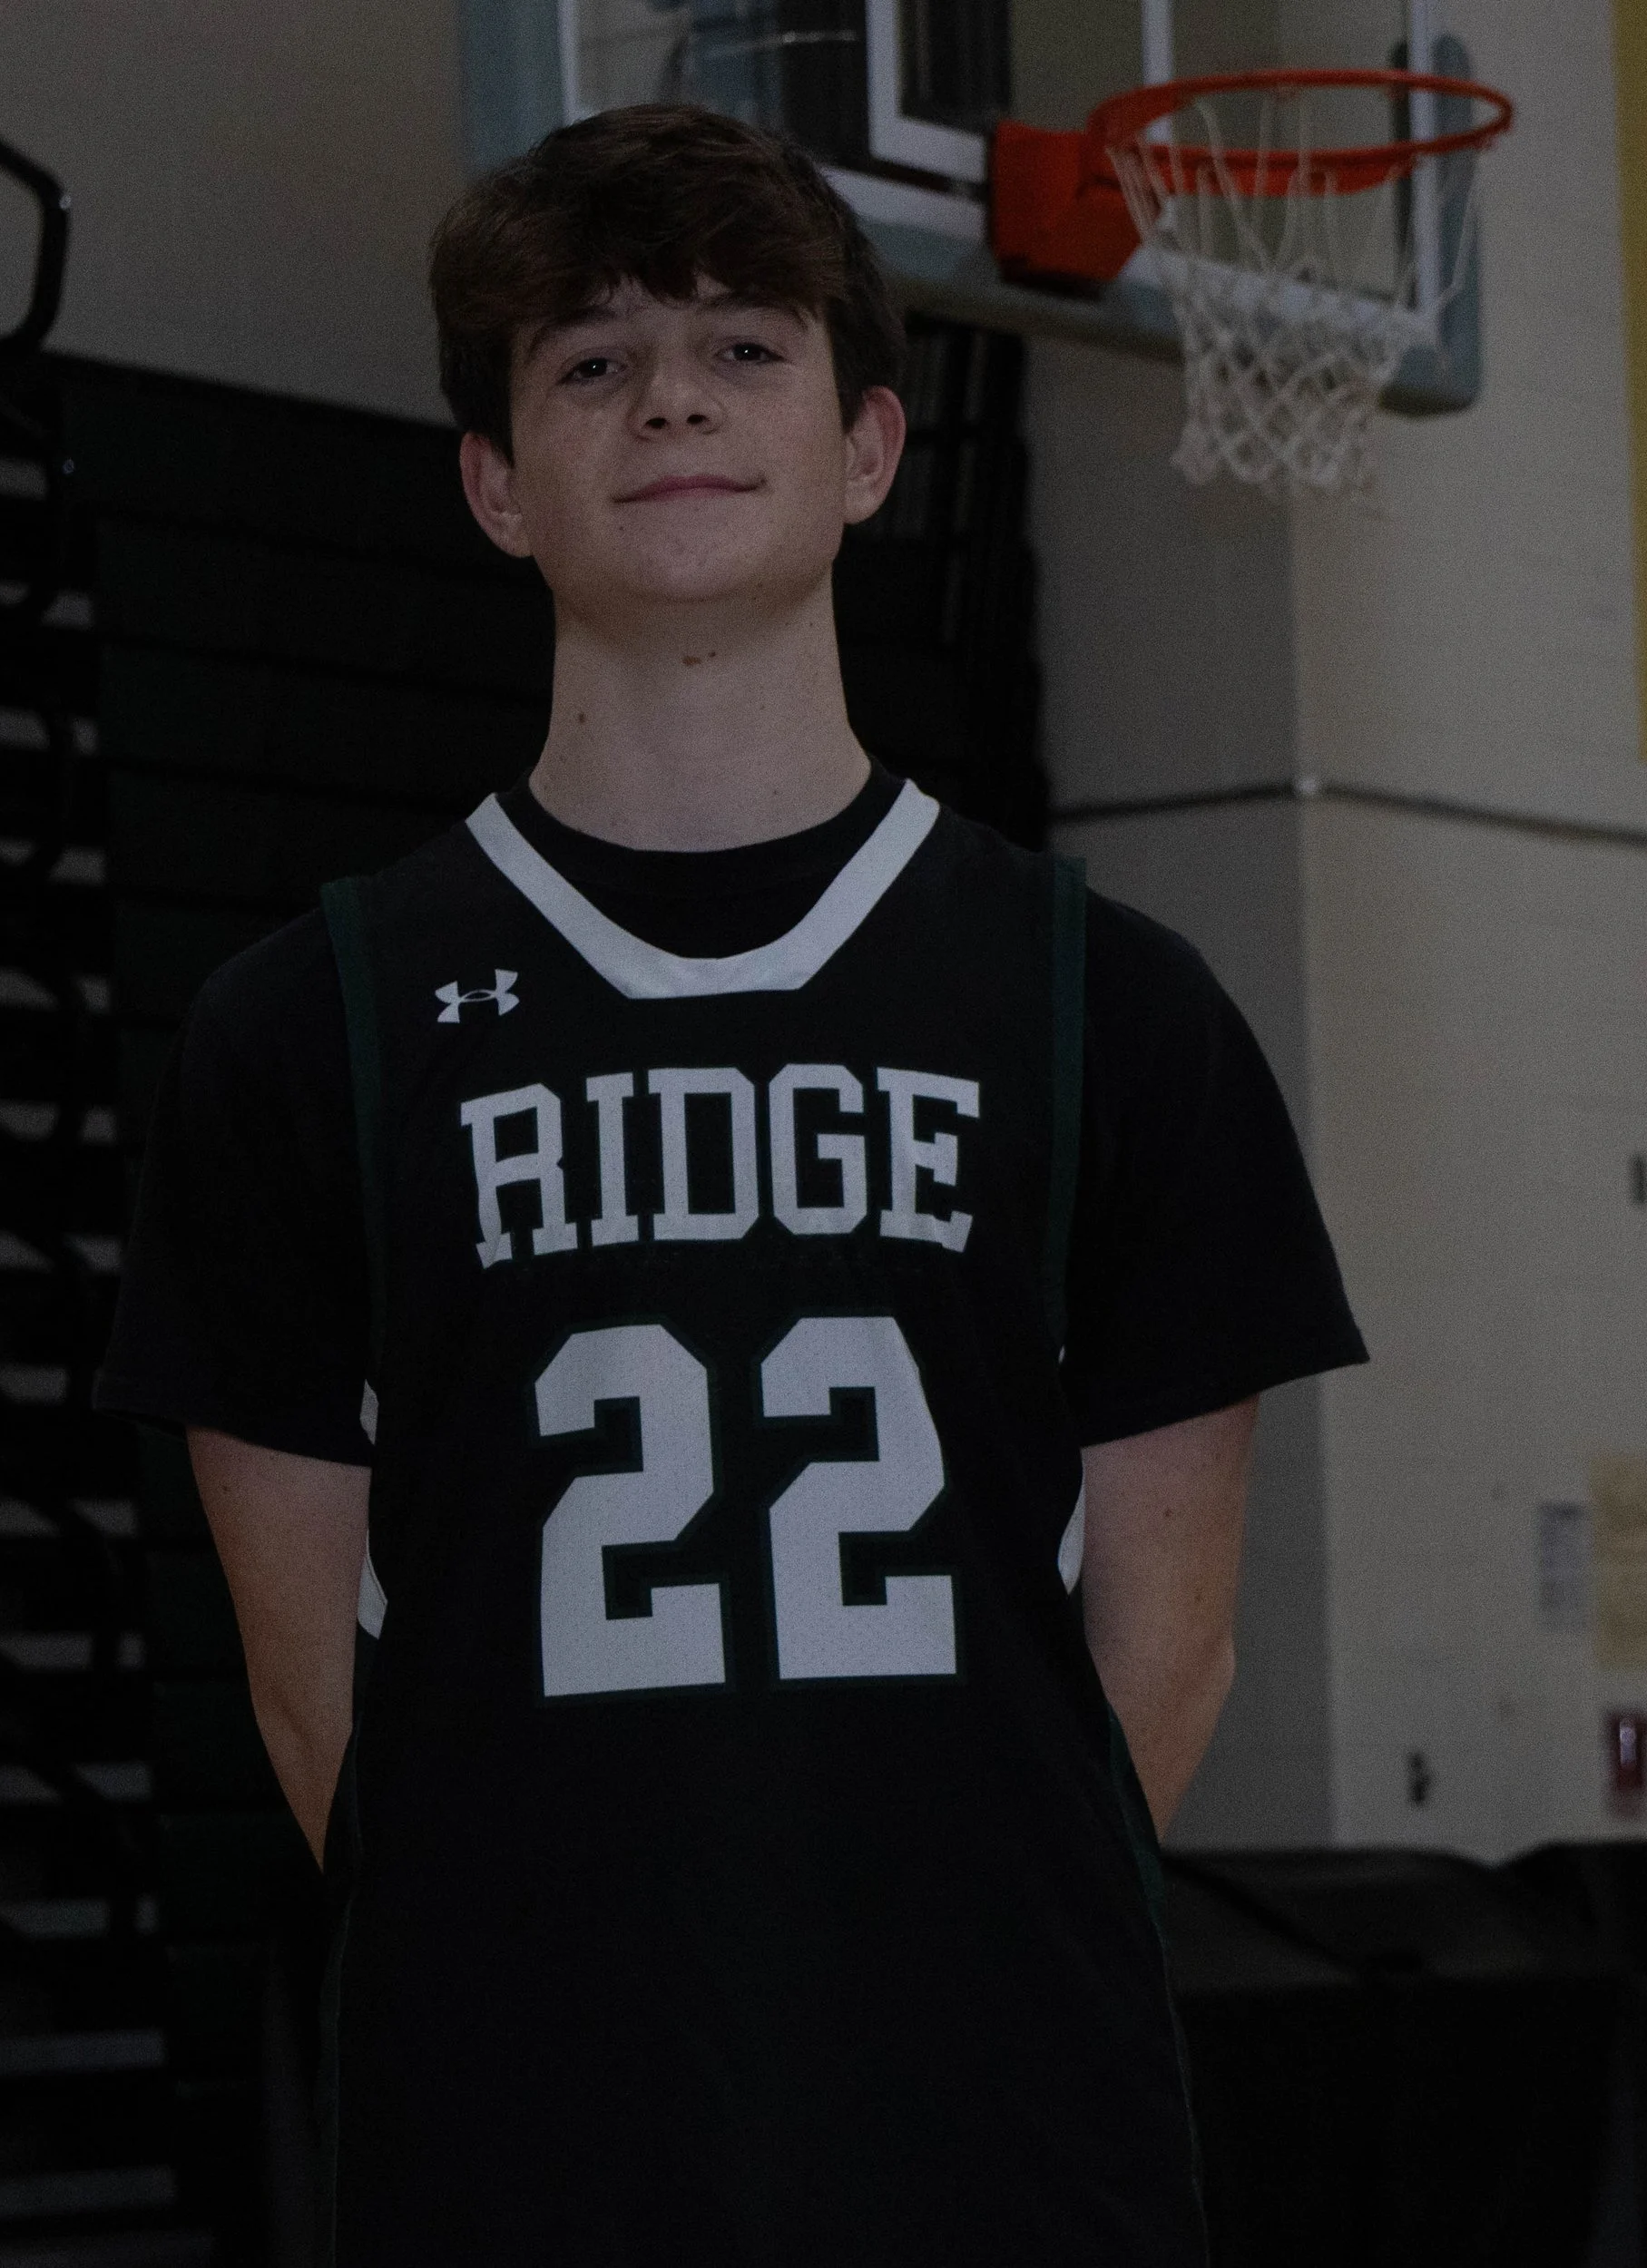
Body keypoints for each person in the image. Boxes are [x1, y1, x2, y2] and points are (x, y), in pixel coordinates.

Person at [98, 102, 1364, 2265]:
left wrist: (905, 1981)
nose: (668, 392)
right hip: (509, 2141)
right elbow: (313, 1698)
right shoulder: (305, 1024)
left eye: (739, 344)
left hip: (1007, 2140)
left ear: (870, 446)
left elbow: (1167, 1657)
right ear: (497, 485)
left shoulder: (1110, 1012)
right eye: (586, 360)